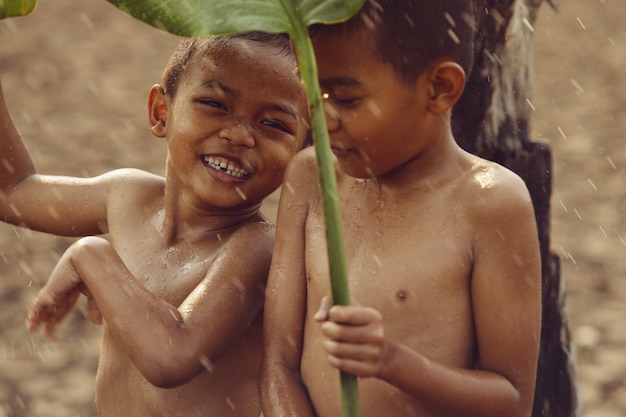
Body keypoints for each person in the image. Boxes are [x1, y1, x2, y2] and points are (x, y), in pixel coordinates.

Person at [0, 31, 308, 417]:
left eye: (274, 124)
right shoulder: (126, 197)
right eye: (214, 104)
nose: (238, 135)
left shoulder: (257, 248)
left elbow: (171, 356)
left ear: (303, 154)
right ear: (161, 112)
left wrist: (90, 254)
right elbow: (11, 192)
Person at [260, 1, 542, 417]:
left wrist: (395, 362)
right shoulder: (312, 176)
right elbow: (277, 362)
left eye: (346, 98)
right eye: (311, 92)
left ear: (439, 88)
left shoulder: (489, 202)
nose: (323, 120)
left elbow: (513, 401)